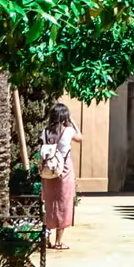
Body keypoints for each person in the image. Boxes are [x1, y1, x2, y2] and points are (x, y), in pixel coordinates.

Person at [39, 102, 82, 250]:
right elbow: (80, 138)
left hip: (49, 170)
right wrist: (72, 121)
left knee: (48, 203)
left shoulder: (44, 132)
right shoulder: (68, 131)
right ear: (65, 117)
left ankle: (46, 238)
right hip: (64, 170)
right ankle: (58, 241)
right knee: (63, 203)